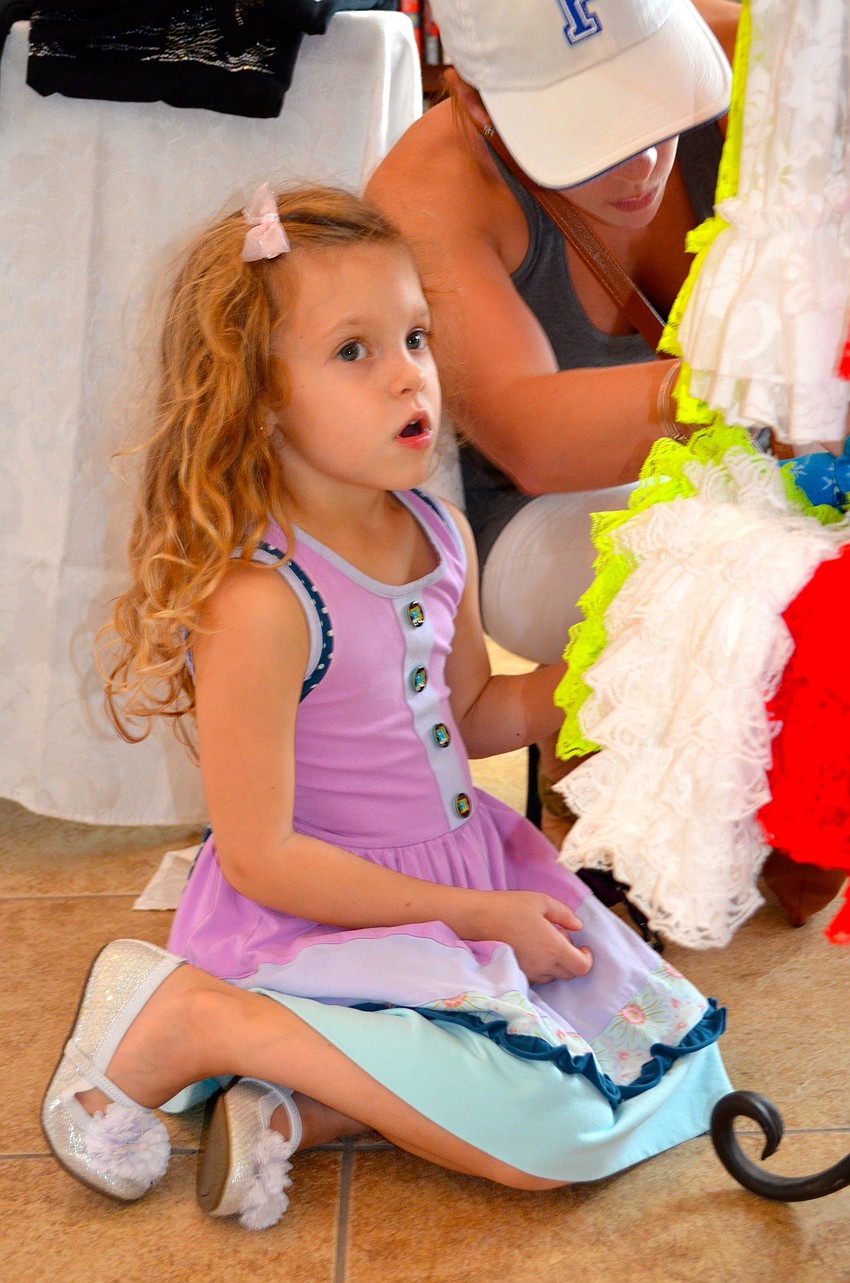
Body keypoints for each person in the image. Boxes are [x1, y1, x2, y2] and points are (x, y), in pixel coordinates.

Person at [42, 184, 731, 1231]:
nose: (409, 371)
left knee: (676, 1061)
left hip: (463, 872)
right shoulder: (264, 599)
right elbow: (264, 854)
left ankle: (301, 1106)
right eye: (353, 351)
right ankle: (195, 1019)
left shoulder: (438, 528)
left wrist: (598, 677)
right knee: (557, 1135)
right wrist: (480, 918)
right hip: (316, 909)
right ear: (256, 395)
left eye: (413, 335)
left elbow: (468, 720)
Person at [364, 0, 739, 830]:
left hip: (736, 460)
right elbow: (533, 437)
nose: (642, 163)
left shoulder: (750, 48)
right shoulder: (427, 190)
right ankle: (606, 736)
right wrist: (764, 373)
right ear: (473, 104)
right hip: (536, 511)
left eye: (657, 104)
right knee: (717, 584)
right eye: (591, 135)